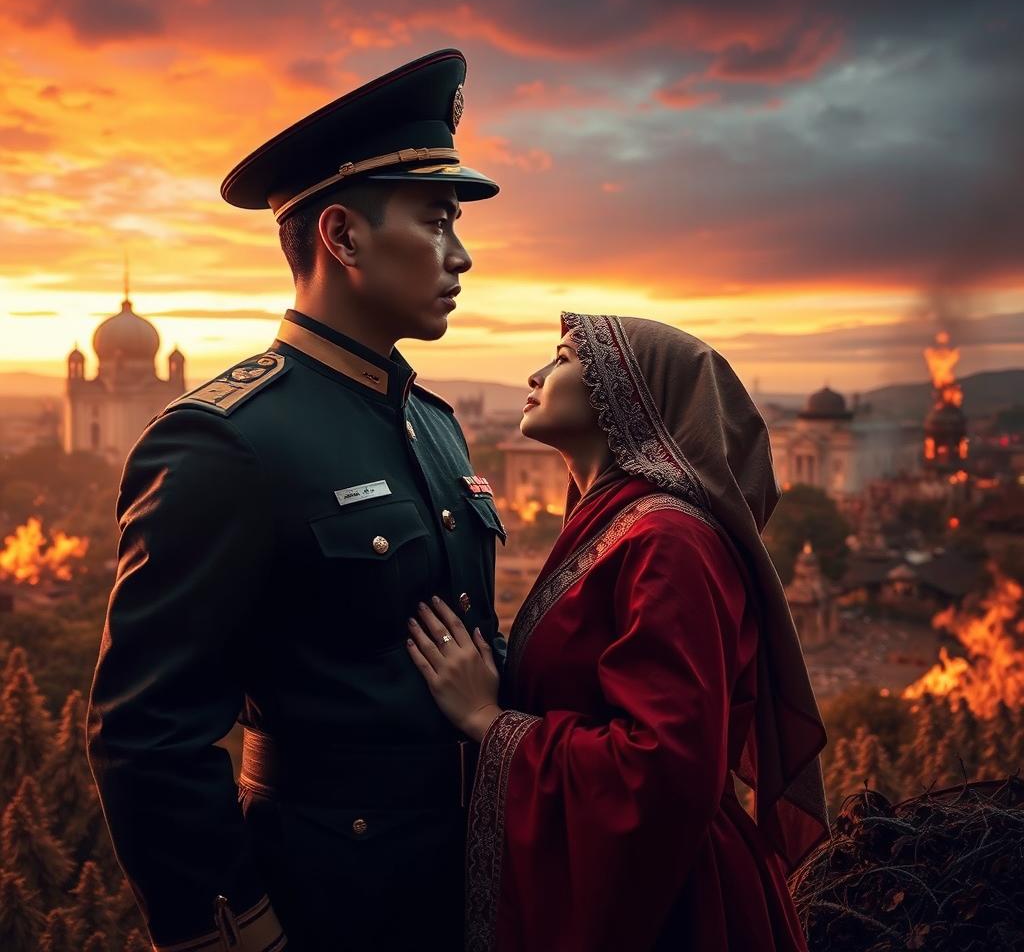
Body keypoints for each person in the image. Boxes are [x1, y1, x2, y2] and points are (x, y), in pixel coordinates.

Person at [86, 49, 508, 951]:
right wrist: (239, 934)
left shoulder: (434, 422)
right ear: (344, 238)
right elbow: (146, 736)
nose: (462, 253)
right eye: (436, 221)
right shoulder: (226, 438)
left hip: (459, 891)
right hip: (323, 906)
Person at [407, 312, 831, 952]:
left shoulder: (668, 540)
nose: (536, 374)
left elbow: (660, 770)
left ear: (624, 397)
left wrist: (487, 720)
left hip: (673, 908)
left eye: (563, 359)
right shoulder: (622, 524)